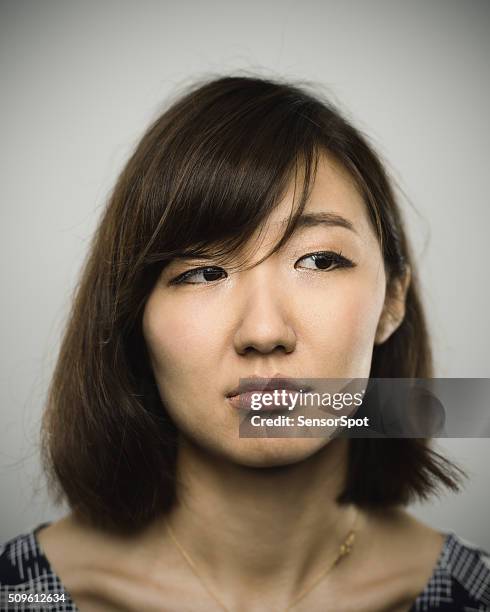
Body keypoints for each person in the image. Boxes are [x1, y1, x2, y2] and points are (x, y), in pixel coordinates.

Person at [1, 75, 489, 612]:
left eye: (319, 260)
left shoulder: (473, 595)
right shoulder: (21, 596)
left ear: (392, 301)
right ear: (133, 313)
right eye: (204, 271)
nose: (263, 332)